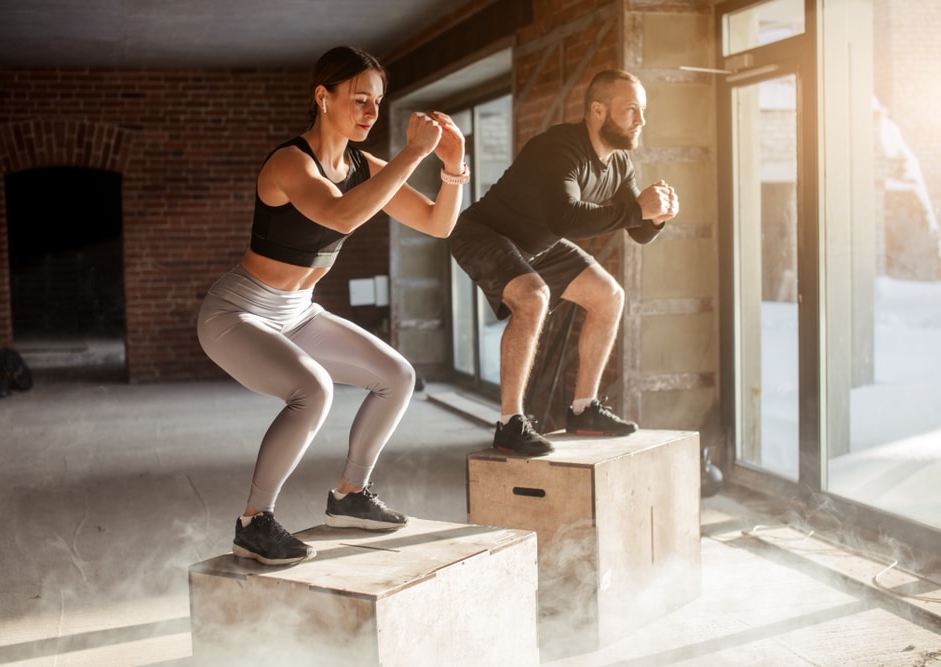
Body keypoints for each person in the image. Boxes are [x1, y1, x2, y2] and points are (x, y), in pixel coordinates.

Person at [197, 46, 467, 565]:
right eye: (361, 99)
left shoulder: (364, 166)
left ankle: (350, 495)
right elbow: (340, 216)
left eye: (378, 102)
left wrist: (454, 167)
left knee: (397, 375)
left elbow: (438, 224)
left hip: (299, 312)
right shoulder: (289, 162)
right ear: (323, 96)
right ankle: (254, 521)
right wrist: (413, 154)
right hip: (237, 314)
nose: (371, 112)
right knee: (312, 390)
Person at [450, 69, 678, 457]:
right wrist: (638, 211)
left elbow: (636, 228)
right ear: (597, 111)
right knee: (534, 296)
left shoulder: (620, 163)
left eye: (643, 111)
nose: (641, 120)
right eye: (631, 110)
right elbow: (567, 218)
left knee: (609, 295)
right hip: (483, 233)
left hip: (540, 242)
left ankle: (584, 409)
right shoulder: (558, 148)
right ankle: (509, 424)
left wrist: (658, 216)